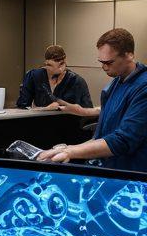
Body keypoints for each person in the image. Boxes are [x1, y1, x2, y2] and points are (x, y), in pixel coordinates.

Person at [38, 28, 147, 171]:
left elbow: (123, 140)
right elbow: (102, 136)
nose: (103, 67)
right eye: (101, 62)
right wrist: (67, 149)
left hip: (133, 178)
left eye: (109, 62)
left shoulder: (143, 87)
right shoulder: (116, 82)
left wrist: (71, 151)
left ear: (129, 55)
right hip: (112, 170)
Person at [17, 45, 92, 110]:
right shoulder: (34, 76)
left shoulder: (77, 81)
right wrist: (45, 109)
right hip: (40, 123)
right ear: (46, 64)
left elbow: (87, 111)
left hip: (69, 123)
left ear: (65, 61)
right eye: (53, 67)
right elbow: (22, 107)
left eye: (62, 64)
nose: (60, 70)